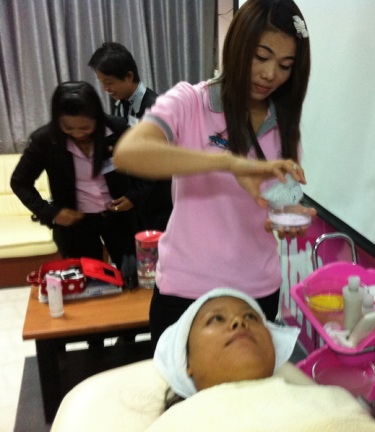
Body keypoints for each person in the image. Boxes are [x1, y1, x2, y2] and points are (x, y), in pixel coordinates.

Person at [113, 0, 315, 348]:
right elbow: (129, 153)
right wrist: (228, 163)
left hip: (257, 291)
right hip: (185, 289)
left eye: (285, 65)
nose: (271, 74)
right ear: (237, 46)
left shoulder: (284, 126)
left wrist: (288, 213)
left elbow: (276, 198)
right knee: (179, 383)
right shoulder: (191, 101)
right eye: (261, 56)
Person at [148, 288, 375, 432]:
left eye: (251, 317)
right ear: (186, 363)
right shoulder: (175, 424)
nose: (239, 322)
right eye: (216, 319)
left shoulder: (334, 401)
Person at [10, 81, 144, 269]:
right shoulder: (45, 140)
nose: (78, 134)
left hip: (119, 217)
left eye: (85, 128)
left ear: (97, 118)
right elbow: (19, 182)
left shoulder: (117, 129)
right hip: (76, 223)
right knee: (87, 277)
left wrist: (133, 196)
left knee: (132, 274)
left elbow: (146, 165)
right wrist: (51, 213)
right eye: (68, 128)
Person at [88, 42, 173, 231]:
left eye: (109, 82)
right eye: (101, 82)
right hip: (135, 196)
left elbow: (156, 161)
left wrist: (135, 196)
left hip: (157, 201)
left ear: (129, 76)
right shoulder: (120, 102)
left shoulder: (155, 107)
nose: (105, 88)